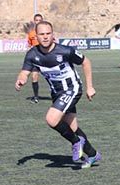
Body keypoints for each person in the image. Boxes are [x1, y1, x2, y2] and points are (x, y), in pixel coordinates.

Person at [15, 20, 102, 168]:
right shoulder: (32, 54)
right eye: (42, 34)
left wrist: (90, 87)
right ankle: (93, 154)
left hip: (72, 89)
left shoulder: (65, 51)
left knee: (51, 119)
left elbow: (86, 62)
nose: (45, 37)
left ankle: (76, 142)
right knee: (72, 127)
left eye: (48, 33)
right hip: (57, 93)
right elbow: (25, 72)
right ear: (36, 36)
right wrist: (21, 79)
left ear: (53, 35)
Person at [26, 13, 44, 103]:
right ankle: (36, 97)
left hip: (46, 58)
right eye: (36, 20)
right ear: (34, 21)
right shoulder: (31, 33)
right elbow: (29, 45)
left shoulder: (45, 33)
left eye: (39, 20)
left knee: (53, 76)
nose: (38, 22)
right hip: (36, 59)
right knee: (34, 77)